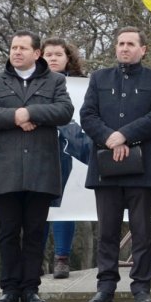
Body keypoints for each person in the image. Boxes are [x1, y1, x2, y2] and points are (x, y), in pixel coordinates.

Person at [0, 31, 74, 302]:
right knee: (8, 232)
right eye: (13, 47)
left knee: (34, 231)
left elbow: (65, 111)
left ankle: (31, 288)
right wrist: (14, 117)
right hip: (6, 169)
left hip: (41, 168)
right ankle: (9, 288)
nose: (16, 52)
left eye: (22, 48)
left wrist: (30, 113)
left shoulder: (54, 81)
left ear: (36, 53)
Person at [79, 26, 151, 302]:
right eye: (120, 43)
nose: (124, 48)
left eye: (131, 43)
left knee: (142, 232)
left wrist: (125, 135)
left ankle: (141, 287)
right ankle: (105, 287)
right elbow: (87, 114)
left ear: (143, 49)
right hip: (106, 168)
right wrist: (110, 138)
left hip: (142, 168)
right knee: (107, 231)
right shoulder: (99, 78)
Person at [41, 37, 92, 280]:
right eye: (47, 54)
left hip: (69, 149)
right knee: (38, 206)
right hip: (39, 150)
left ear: (68, 58)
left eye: (57, 54)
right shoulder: (32, 82)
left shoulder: (83, 85)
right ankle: (34, 257)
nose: (52, 58)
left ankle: (62, 258)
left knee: (65, 204)